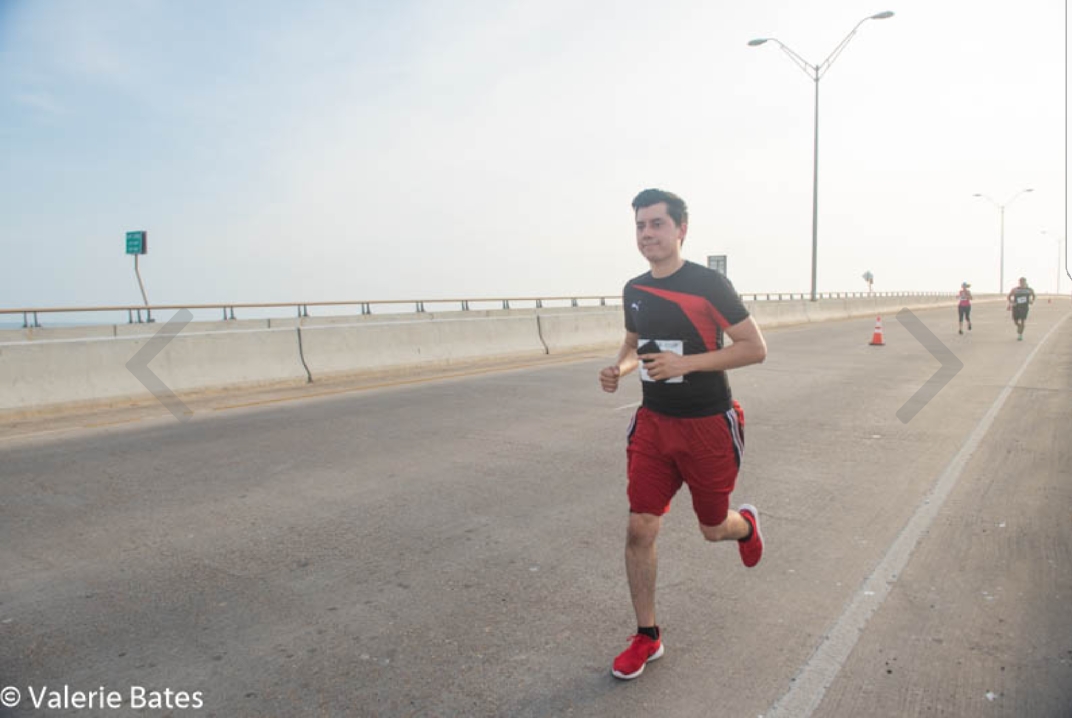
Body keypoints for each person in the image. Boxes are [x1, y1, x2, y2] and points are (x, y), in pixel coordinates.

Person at [598, 189, 768, 680]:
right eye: (640, 226)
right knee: (639, 528)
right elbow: (632, 346)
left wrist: (684, 364)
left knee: (713, 527)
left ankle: (747, 526)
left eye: (656, 224)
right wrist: (619, 368)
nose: (647, 234)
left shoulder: (709, 285)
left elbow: (754, 348)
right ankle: (646, 636)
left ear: (681, 229)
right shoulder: (633, 289)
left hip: (708, 425)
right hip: (653, 426)